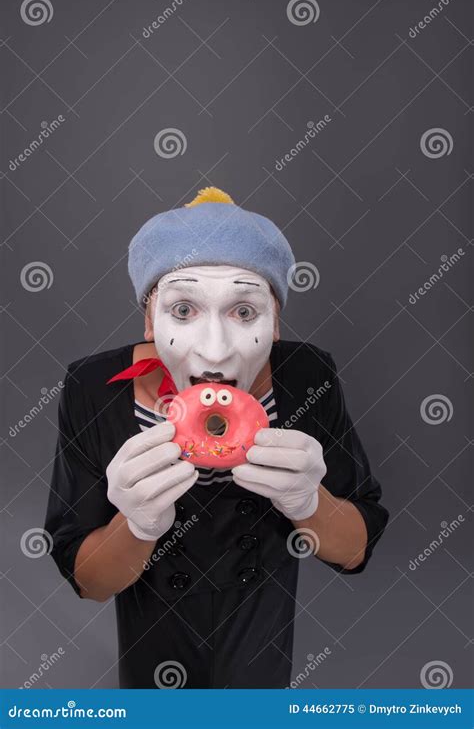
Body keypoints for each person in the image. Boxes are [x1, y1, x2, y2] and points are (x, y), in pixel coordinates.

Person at [44, 187, 389, 689]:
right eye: (183, 310)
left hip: (260, 637)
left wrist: (308, 501)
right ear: (150, 319)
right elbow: (89, 581)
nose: (214, 349)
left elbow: (354, 549)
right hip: (153, 645)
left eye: (244, 312)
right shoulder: (92, 389)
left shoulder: (308, 376)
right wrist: (137, 525)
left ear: (275, 321)